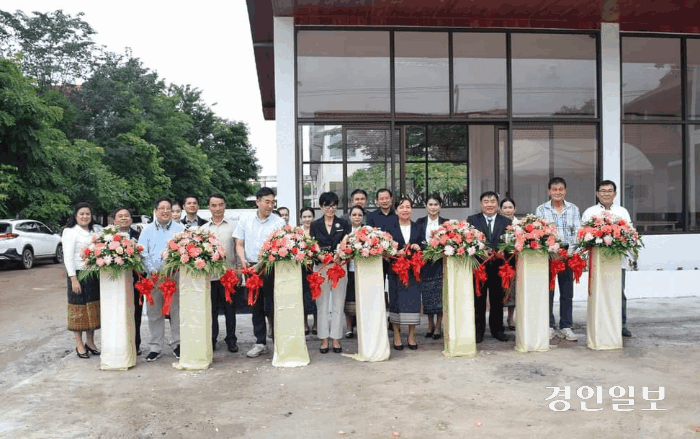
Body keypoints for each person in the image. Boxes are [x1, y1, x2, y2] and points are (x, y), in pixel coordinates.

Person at [234, 187, 286, 358]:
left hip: (270, 267)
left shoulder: (278, 222)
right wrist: (242, 260)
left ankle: (279, 341)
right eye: (267, 202)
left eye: (272, 202)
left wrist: (261, 264)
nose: (270, 206)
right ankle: (260, 342)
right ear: (257, 202)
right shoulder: (245, 220)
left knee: (272, 304)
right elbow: (239, 244)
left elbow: (279, 247)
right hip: (250, 268)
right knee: (255, 305)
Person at [581, 180, 633, 338]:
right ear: (597, 194)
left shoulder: (622, 212)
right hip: (598, 261)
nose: (606, 193)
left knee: (619, 293)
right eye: (603, 191)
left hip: (618, 262)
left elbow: (629, 234)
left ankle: (621, 324)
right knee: (598, 292)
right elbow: (583, 235)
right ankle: (598, 322)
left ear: (615, 194)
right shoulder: (590, 212)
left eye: (610, 191)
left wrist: (631, 256)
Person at [535, 177, 581, 342]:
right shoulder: (541, 209)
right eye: (554, 189)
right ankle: (548, 325)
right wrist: (553, 250)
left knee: (567, 293)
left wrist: (572, 250)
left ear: (565, 190)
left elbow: (578, 232)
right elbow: (539, 233)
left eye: (560, 189)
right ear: (549, 192)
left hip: (568, 257)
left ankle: (565, 326)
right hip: (550, 257)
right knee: (548, 292)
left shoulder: (573, 209)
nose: (557, 192)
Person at [140, 197, 185, 362]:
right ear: (156, 210)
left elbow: (184, 251)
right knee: (154, 312)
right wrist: (152, 270)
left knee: (176, 311)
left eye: (169, 208)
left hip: (174, 276)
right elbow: (142, 252)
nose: (166, 211)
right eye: (162, 208)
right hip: (154, 277)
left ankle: (178, 343)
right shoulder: (147, 230)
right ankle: (155, 347)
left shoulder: (180, 229)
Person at [467, 191, 512, 343]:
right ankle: (478, 331)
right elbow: (468, 241)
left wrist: (503, 252)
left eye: (493, 201)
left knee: (497, 301)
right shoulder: (472, 220)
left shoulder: (506, 222)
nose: (490, 204)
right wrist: (480, 252)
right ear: (481, 205)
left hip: (499, 267)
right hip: (480, 267)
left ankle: (497, 330)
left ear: (497, 204)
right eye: (486, 201)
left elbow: (510, 242)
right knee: (478, 301)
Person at [310, 192, 351, 353]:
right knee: (322, 304)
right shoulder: (315, 225)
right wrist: (320, 255)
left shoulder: (343, 223)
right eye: (327, 205)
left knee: (338, 303)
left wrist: (340, 255)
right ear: (321, 207)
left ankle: (336, 339)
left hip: (339, 266)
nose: (330, 209)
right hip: (320, 268)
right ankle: (323, 339)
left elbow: (347, 242)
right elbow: (311, 244)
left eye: (333, 205)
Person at [62, 202, 101, 359]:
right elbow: (68, 257)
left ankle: (90, 342)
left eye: (88, 214)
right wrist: (73, 279)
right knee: (78, 311)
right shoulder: (69, 232)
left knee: (92, 308)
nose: (85, 217)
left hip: (93, 274)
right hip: (77, 275)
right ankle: (79, 344)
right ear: (76, 216)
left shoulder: (96, 230)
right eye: (82, 214)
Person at [201, 194, 240, 353]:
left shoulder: (234, 226)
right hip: (209, 277)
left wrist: (238, 270)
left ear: (225, 206)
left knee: (230, 310)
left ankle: (231, 339)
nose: (217, 208)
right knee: (212, 310)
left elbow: (238, 248)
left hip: (229, 276)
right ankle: (212, 338)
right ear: (209, 207)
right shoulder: (203, 229)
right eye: (214, 205)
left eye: (220, 205)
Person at [386, 197, 423, 350]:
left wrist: (418, 246)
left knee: (413, 302)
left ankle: (412, 335)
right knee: (395, 302)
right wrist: (396, 252)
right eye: (401, 207)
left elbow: (424, 245)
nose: (405, 210)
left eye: (408, 207)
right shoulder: (389, 227)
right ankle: (396, 335)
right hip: (396, 271)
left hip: (413, 271)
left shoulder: (418, 227)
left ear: (412, 209)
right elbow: (385, 249)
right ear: (396, 210)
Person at [113, 206, 145, 355]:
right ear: (114, 220)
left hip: (136, 281)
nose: (124, 218)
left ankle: (135, 344)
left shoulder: (140, 236)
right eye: (120, 216)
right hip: (115, 283)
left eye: (126, 216)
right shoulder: (108, 238)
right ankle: (118, 345)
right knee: (117, 313)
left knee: (135, 313)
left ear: (131, 219)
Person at [416, 194, 448, 339]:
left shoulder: (446, 223)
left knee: (440, 295)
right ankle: (430, 324)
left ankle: (439, 326)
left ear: (440, 206)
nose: (433, 207)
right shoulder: (419, 222)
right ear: (426, 206)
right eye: (430, 204)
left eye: (436, 204)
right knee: (428, 295)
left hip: (441, 263)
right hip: (425, 264)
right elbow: (416, 239)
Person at [344, 205, 365, 338]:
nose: (357, 217)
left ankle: (362, 327)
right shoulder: (345, 231)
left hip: (363, 269)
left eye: (359, 215)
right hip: (348, 269)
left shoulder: (368, 231)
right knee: (349, 298)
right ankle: (349, 327)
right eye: (354, 215)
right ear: (350, 216)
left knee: (362, 299)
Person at [499, 197, 517, 331]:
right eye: (504, 207)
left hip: (514, 261)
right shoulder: (497, 223)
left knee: (512, 290)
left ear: (514, 209)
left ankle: (510, 318)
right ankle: (498, 319)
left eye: (510, 207)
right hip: (499, 261)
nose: (507, 210)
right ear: (501, 210)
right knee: (499, 291)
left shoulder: (519, 224)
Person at [299, 207, 317, 335]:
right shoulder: (297, 232)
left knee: (316, 295)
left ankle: (316, 323)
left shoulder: (318, 229)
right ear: (301, 218)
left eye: (309, 216)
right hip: (302, 267)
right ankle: (304, 323)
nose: (307, 219)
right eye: (304, 217)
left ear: (313, 217)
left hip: (316, 266)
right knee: (303, 295)